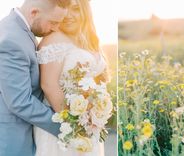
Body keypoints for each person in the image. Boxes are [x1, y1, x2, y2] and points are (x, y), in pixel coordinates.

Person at [34, 0, 111, 155]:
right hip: (65, 127)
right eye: (64, 9)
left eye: (75, 9)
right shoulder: (53, 39)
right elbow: (49, 85)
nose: (68, 15)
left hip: (88, 126)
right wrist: (78, 123)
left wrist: (96, 113)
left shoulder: (86, 39)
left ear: (85, 11)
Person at [0, 0, 70, 156]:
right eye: (53, 22)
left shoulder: (17, 28)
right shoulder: (11, 40)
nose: (55, 28)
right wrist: (67, 126)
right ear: (34, 13)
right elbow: (20, 101)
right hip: (13, 140)